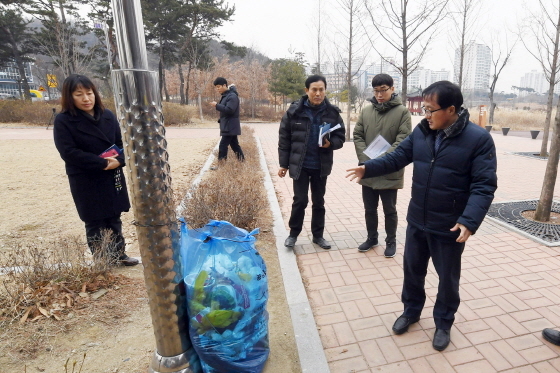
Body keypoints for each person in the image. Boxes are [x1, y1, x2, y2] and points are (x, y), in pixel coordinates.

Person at [346, 81, 497, 351]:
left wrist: (469, 221)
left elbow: (484, 186)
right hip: (418, 219)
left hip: (449, 225)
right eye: (423, 109)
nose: (425, 115)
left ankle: (443, 322)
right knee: (412, 271)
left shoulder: (478, 139)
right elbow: (396, 157)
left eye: (430, 109)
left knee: (447, 278)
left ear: (451, 109)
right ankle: (411, 311)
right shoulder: (423, 132)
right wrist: (367, 169)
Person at [53, 74, 138, 266]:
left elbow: (122, 143)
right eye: (79, 94)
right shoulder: (63, 120)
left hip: (112, 174)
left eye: (89, 93)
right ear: (70, 97)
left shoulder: (107, 115)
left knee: (114, 217)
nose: (86, 98)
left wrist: (120, 160)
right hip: (86, 177)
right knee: (94, 220)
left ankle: (119, 254)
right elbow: (68, 152)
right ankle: (102, 259)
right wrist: (102, 163)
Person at [278, 75, 346, 250]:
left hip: (320, 166)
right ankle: (293, 234)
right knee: (300, 201)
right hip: (300, 165)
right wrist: (283, 164)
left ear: (325, 91)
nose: (317, 93)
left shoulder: (332, 113)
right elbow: (284, 139)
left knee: (319, 201)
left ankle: (318, 236)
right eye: (314, 90)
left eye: (321, 90)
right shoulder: (294, 112)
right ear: (306, 90)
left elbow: (340, 136)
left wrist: (331, 143)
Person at [353, 73, 411, 256]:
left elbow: (402, 141)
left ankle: (391, 241)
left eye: (383, 90)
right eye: (376, 90)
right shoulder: (366, 111)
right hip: (367, 169)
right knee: (369, 208)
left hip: (389, 170)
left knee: (389, 209)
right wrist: (366, 160)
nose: (379, 94)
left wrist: (382, 161)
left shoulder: (402, 112)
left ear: (392, 89)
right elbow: (358, 135)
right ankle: (372, 238)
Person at [210, 77, 244, 162]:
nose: (217, 89)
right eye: (216, 87)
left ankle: (221, 164)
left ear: (224, 85)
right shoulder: (226, 95)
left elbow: (230, 110)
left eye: (218, 87)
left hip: (230, 126)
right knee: (234, 145)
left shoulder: (232, 96)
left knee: (223, 145)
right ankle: (242, 161)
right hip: (228, 125)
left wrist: (217, 105)